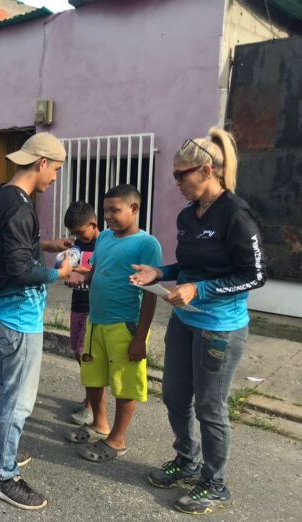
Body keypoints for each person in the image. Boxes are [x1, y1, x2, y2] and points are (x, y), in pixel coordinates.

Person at [130, 129, 267, 516]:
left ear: (207, 171)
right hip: (185, 321)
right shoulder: (188, 216)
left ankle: (215, 483)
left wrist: (198, 291)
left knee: (210, 407)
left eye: (181, 175)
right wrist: (160, 272)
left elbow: (255, 275)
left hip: (220, 327)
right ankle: (186, 461)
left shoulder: (237, 214)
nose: (176, 183)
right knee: (174, 395)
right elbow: (189, 266)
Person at [0, 132, 74, 510]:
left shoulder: (1, 197)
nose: (54, 179)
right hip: (18, 315)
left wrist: (47, 247)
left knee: (4, 391)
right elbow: (19, 268)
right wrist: (59, 274)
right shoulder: (21, 207)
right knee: (17, 401)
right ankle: (4, 474)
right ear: (41, 164)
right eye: (55, 170)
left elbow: (6, 248)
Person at [64, 185, 161, 463]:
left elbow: (151, 294)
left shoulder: (147, 244)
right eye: (106, 210)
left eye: (115, 210)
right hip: (96, 321)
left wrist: (140, 337)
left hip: (125, 324)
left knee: (125, 384)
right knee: (93, 378)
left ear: (134, 209)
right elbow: (97, 271)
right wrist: (81, 277)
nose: (108, 216)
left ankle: (117, 439)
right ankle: (99, 424)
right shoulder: (104, 237)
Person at [59, 201, 99, 429]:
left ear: (93, 224)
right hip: (78, 304)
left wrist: (88, 273)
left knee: (88, 355)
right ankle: (89, 398)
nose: (78, 237)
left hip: (95, 308)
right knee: (77, 352)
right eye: (74, 234)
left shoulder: (104, 243)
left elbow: (104, 272)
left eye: (81, 232)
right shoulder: (76, 245)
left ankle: (93, 407)